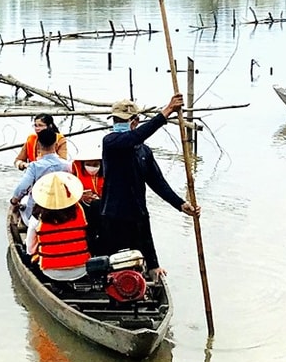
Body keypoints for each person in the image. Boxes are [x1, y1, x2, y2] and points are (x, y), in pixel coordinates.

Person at [96, 95, 196, 278]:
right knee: (108, 267)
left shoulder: (144, 152)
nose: (119, 123)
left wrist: (181, 204)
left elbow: (158, 183)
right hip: (112, 214)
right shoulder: (111, 142)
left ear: (135, 121)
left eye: (123, 120)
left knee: (145, 263)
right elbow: (136, 136)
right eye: (116, 120)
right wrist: (166, 112)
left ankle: (149, 273)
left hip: (138, 214)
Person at [24, 171, 90, 282]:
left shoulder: (37, 216)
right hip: (82, 270)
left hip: (50, 272)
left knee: (25, 255)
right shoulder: (80, 210)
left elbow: (30, 249)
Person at [9, 127, 68, 223]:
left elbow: (22, 187)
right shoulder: (67, 165)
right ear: (56, 145)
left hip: (37, 213)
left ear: (39, 145)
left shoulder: (34, 166)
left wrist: (14, 202)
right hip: (62, 209)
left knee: (23, 203)